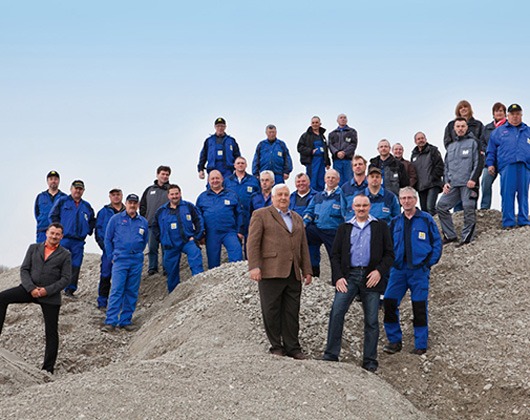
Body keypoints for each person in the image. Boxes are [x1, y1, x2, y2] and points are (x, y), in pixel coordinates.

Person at [322, 194, 394, 372]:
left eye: (364, 205)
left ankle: (369, 360)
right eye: (358, 206)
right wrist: (338, 277)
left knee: (371, 320)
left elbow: (389, 254)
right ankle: (331, 354)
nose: (361, 209)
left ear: (369, 207)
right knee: (337, 311)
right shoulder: (344, 228)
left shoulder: (381, 227)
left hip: (371, 277)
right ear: (352, 207)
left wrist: (379, 271)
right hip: (349, 276)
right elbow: (335, 255)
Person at [247, 184, 312, 359]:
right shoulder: (260, 215)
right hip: (270, 270)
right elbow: (252, 242)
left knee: (292, 311)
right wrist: (254, 266)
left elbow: (303, 246)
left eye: (286, 194)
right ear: (273, 197)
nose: (283, 197)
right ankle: (276, 346)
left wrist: (307, 270)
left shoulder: (297, 218)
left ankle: (293, 348)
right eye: (280, 195)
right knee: (271, 310)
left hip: (293, 273)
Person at [0, 223, 71, 373]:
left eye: (57, 234)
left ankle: (48, 369)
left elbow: (65, 279)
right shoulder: (33, 248)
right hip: (29, 289)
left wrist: (46, 291)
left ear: (61, 236)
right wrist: (31, 288)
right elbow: (24, 269)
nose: (54, 236)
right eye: (52, 233)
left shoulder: (65, 254)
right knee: (2, 297)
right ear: (46, 233)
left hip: (49, 295)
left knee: (51, 332)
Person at [383, 187, 442, 356]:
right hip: (398, 271)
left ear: (415, 200)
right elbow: (387, 245)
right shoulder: (395, 222)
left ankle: (420, 344)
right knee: (389, 302)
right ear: (400, 201)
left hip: (419, 272)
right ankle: (394, 341)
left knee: (419, 306)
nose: (406, 201)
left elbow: (437, 243)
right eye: (403, 198)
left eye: (410, 198)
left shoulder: (426, 220)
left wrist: (428, 264)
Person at [101, 194, 149, 332]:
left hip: (136, 260)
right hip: (120, 260)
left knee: (132, 291)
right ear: (126, 203)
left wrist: (138, 253)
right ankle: (111, 321)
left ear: (138, 205)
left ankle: (125, 320)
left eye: (135, 203)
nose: (132, 205)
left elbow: (145, 240)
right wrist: (112, 256)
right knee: (117, 290)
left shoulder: (143, 222)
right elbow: (107, 239)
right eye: (130, 203)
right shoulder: (116, 219)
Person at [437, 118, 481, 245]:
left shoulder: (473, 143)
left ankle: (467, 238)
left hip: (468, 184)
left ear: (467, 128)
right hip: (454, 185)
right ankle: (450, 235)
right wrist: (445, 182)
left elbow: (478, 162)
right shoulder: (450, 147)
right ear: (454, 129)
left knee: (468, 207)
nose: (460, 128)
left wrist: (473, 179)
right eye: (458, 126)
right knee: (441, 206)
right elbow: (446, 167)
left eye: (463, 126)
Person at [153, 185, 204, 293]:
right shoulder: (161, 211)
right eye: (172, 194)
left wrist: (196, 237)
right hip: (170, 246)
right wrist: (162, 239)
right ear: (168, 196)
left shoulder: (189, 206)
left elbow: (198, 220)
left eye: (176, 194)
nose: (175, 196)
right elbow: (155, 227)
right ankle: (174, 295)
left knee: (196, 259)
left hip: (187, 242)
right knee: (171, 273)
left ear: (180, 194)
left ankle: (200, 288)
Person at [486, 103, 530, 228]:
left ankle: (523, 220)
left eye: (517, 114)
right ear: (508, 116)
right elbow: (491, 150)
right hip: (507, 166)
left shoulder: (528, 131)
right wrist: (490, 164)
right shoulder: (498, 132)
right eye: (512, 114)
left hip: (524, 166)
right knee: (507, 194)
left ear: (521, 115)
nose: (515, 117)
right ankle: (508, 221)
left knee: (523, 194)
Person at [49, 180, 95, 297]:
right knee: (58, 262)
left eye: (80, 189)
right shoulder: (62, 201)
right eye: (76, 188)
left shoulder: (87, 206)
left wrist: (87, 231)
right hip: (64, 238)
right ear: (71, 189)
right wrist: (57, 232)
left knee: (75, 265)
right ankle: (54, 288)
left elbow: (91, 221)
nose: (78, 191)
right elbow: (53, 216)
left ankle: (70, 290)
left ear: (83, 191)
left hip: (78, 241)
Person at [196, 170, 244, 269]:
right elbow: (198, 218)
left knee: (237, 256)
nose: (215, 181)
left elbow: (239, 214)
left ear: (222, 179)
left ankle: (236, 279)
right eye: (212, 179)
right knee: (213, 264)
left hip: (229, 232)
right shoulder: (202, 197)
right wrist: (200, 234)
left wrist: (240, 231)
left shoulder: (232, 195)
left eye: (217, 178)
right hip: (211, 234)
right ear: (208, 181)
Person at [303, 169, 346, 278]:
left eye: (333, 178)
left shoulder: (342, 195)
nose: (330, 180)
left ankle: (337, 281)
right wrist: (304, 223)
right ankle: (312, 274)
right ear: (324, 179)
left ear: (338, 180)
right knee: (306, 236)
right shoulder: (318, 196)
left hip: (333, 230)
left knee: (335, 257)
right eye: (328, 177)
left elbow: (346, 213)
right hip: (318, 228)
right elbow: (309, 211)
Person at [95, 188, 125, 310]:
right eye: (113, 195)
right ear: (109, 197)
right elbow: (98, 231)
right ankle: (102, 302)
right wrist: (106, 248)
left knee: (122, 277)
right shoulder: (103, 212)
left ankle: (120, 303)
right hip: (108, 251)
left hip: (124, 252)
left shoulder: (128, 211)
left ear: (122, 196)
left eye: (118, 194)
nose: (116, 197)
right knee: (106, 275)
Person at [140, 165, 171, 275]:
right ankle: (152, 268)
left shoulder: (171, 190)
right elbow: (142, 205)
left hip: (166, 224)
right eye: (163, 174)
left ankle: (166, 268)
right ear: (157, 174)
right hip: (151, 224)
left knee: (165, 247)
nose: (165, 176)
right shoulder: (149, 190)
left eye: (167, 174)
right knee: (152, 247)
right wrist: (144, 218)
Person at [224, 157, 261, 246]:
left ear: (246, 165)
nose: (240, 165)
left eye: (242, 163)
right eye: (238, 163)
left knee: (250, 242)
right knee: (235, 243)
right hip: (234, 216)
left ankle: (249, 259)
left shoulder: (253, 180)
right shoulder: (227, 181)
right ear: (234, 165)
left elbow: (259, 196)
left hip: (250, 214)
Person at [410, 132, 445, 215]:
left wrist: (433, 177)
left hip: (433, 184)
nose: (420, 140)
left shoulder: (433, 150)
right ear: (415, 141)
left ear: (425, 139)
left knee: (430, 207)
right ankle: (427, 227)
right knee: (424, 210)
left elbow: (440, 166)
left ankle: (437, 226)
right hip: (421, 186)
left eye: (422, 138)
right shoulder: (414, 155)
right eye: (418, 139)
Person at [480, 102, 507, 210]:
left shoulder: (509, 127)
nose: (498, 113)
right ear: (493, 113)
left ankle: (505, 209)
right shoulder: (487, 128)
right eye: (496, 111)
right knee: (485, 183)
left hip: (505, 161)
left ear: (505, 113)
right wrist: (488, 153)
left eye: (501, 111)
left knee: (505, 187)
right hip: (490, 161)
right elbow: (482, 143)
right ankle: (485, 208)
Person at [297, 116, 331, 191]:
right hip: (312, 162)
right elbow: (300, 147)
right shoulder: (306, 136)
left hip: (322, 163)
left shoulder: (322, 136)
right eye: (313, 123)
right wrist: (311, 151)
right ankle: (312, 199)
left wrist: (327, 162)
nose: (315, 124)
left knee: (321, 181)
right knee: (312, 181)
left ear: (320, 124)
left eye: (316, 122)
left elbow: (326, 150)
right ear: (311, 124)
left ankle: (320, 198)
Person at [34, 171, 67, 243]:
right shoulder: (41, 197)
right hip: (43, 231)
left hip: (58, 232)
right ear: (47, 181)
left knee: (58, 253)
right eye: (51, 179)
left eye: (55, 179)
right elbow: (37, 213)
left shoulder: (64, 198)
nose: (53, 181)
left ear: (58, 181)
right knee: (41, 253)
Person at [328, 114, 358, 185]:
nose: (343, 119)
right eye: (341, 118)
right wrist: (336, 152)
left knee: (349, 181)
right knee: (337, 180)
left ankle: (349, 196)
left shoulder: (352, 132)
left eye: (344, 118)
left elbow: (353, 144)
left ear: (347, 120)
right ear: (337, 120)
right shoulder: (332, 134)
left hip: (348, 160)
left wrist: (344, 153)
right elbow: (330, 145)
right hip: (337, 161)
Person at [341, 155, 369, 220]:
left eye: (360, 164)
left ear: (365, 166)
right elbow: (343, 209)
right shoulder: (345, 188)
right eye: (355, 165)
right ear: (352, 168)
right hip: (350, 223)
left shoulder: (371, 185)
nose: (358, 166)